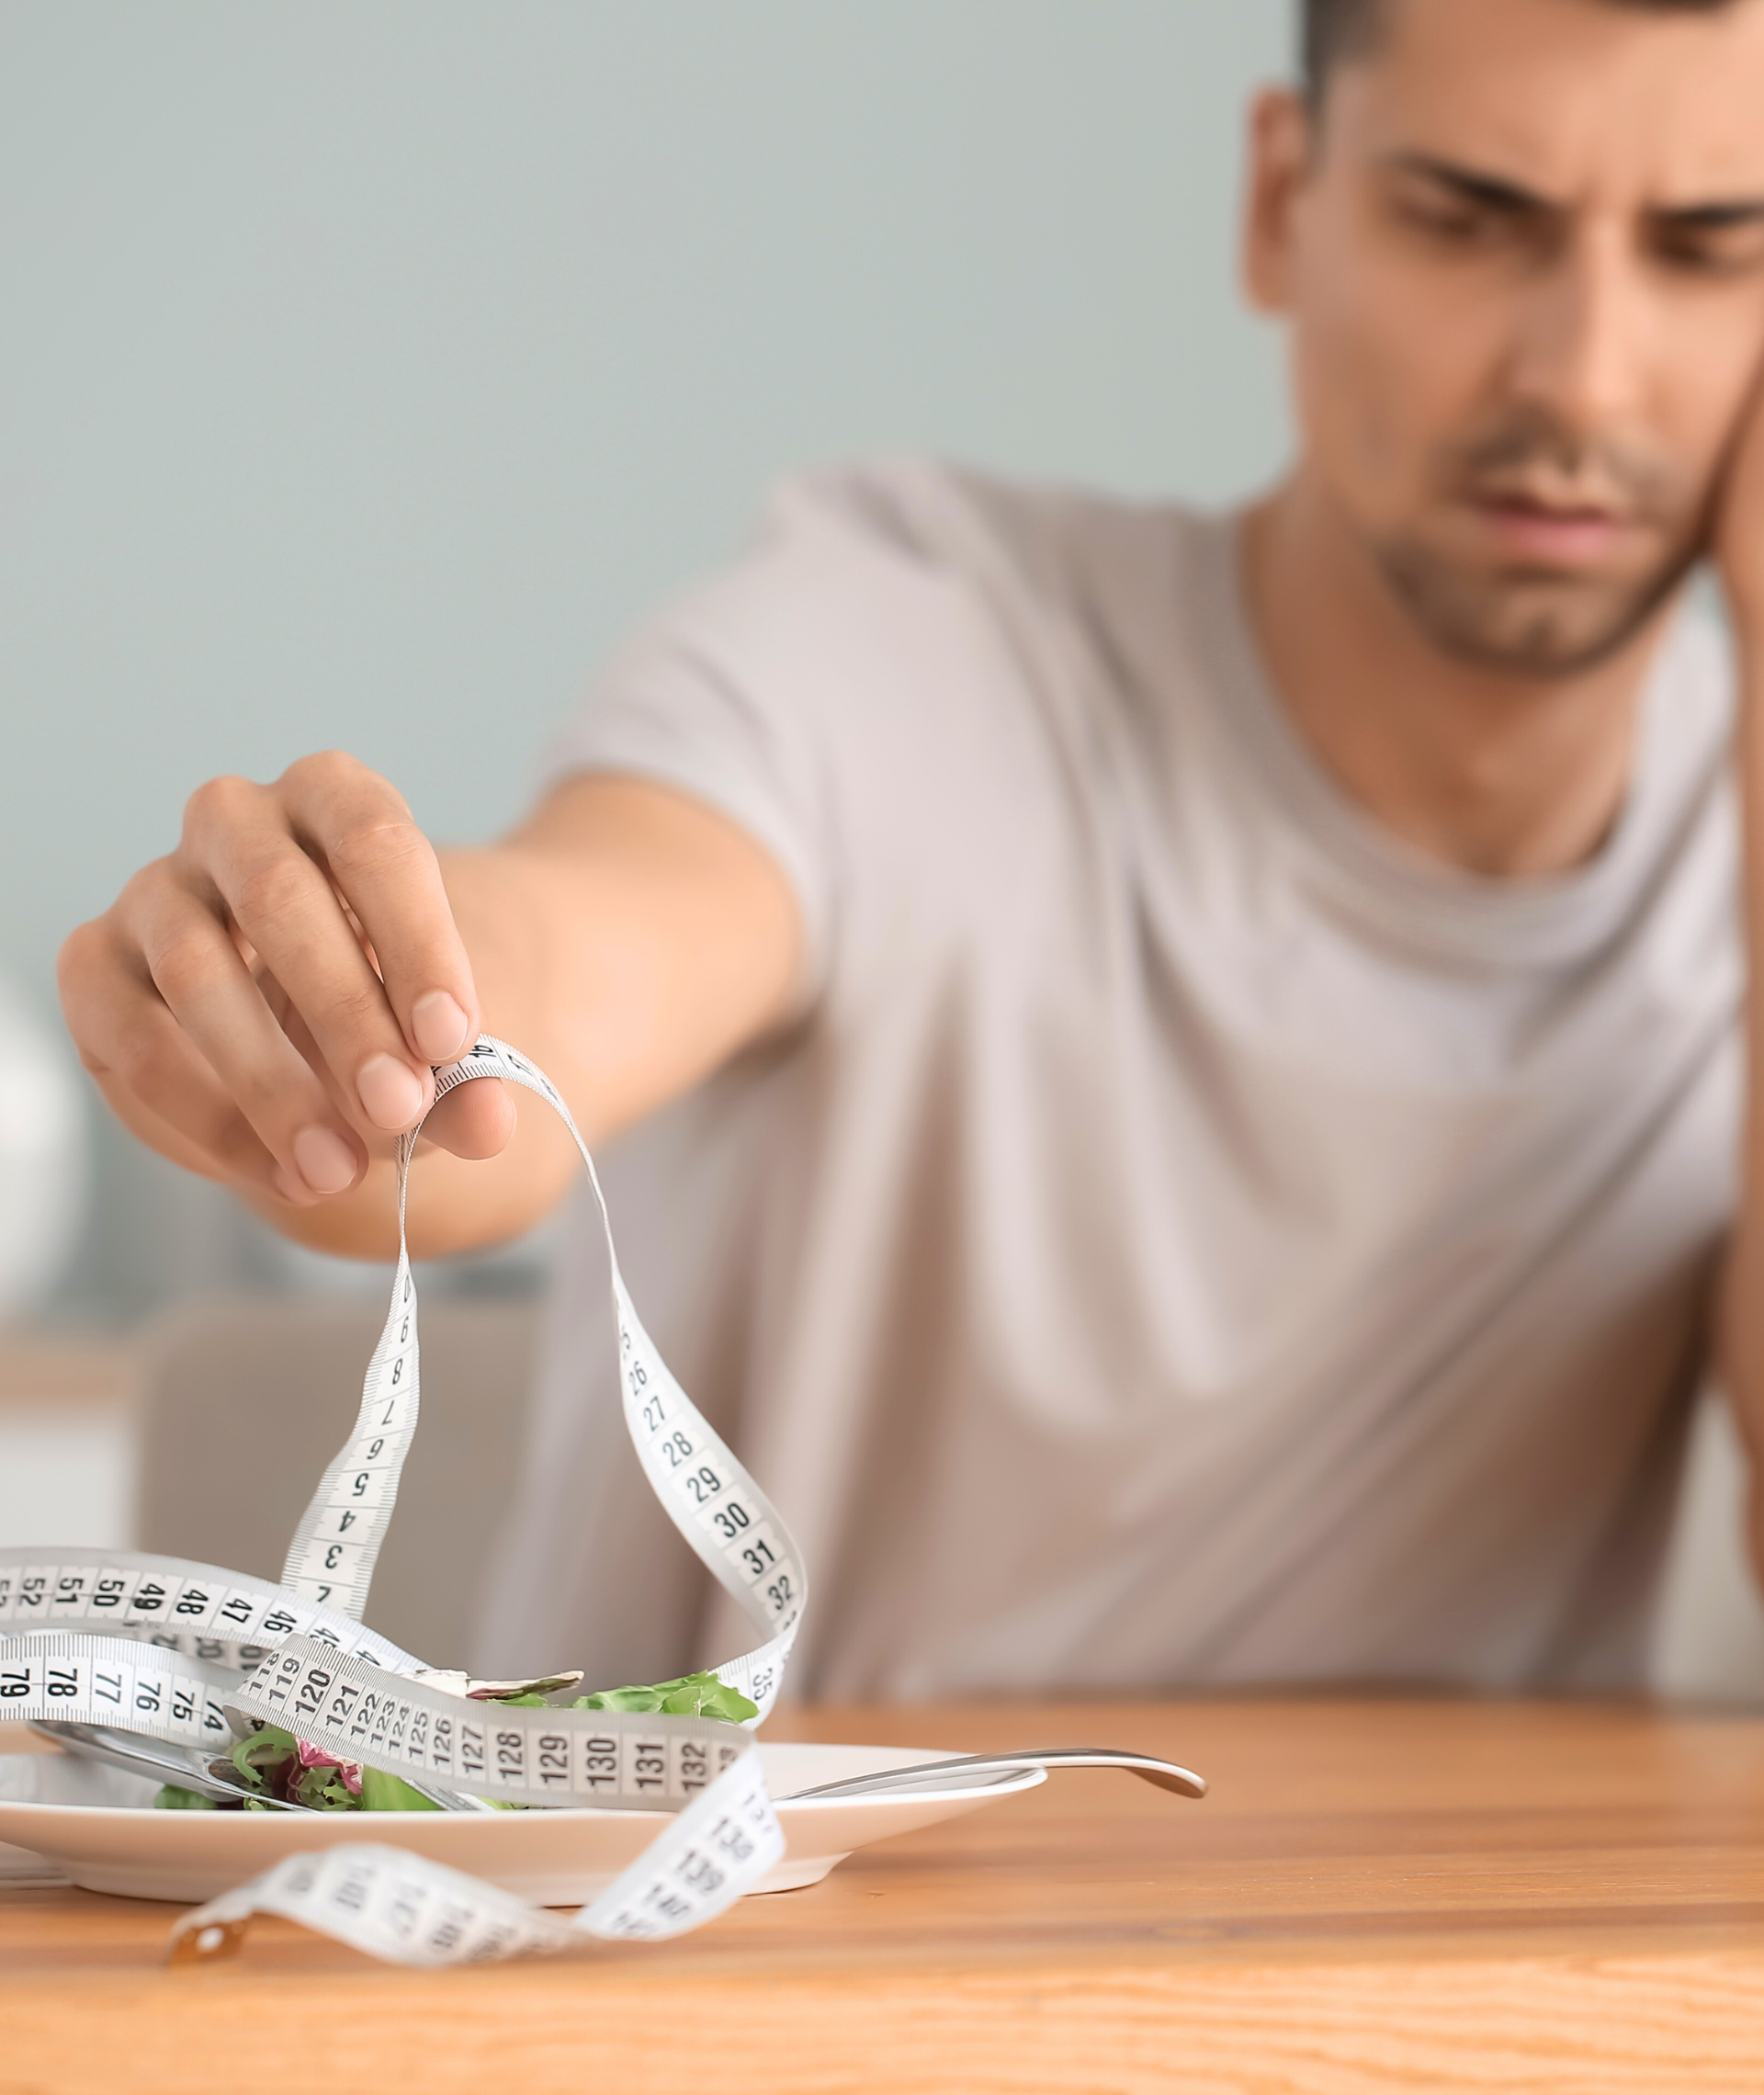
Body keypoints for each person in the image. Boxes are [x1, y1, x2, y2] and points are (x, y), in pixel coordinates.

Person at [57, 0, 1764, 1695]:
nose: (1581, 374)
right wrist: (342, 1018)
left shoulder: (1735, 844)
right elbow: (576, 970)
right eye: (1468, 222)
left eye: (1710, 251)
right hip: (744, 1960)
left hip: (1461, 1964)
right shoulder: (900, 654)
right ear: (1279, 202)